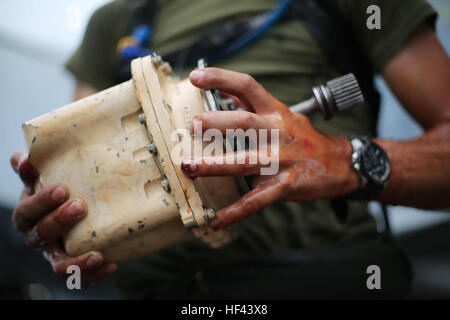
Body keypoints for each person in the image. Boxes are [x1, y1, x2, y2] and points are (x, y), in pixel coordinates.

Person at [10, 0, 450, 298]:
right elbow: (75, 167)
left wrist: (344, 159)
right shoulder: (115, 22)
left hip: (319, 280)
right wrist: (58, 226)